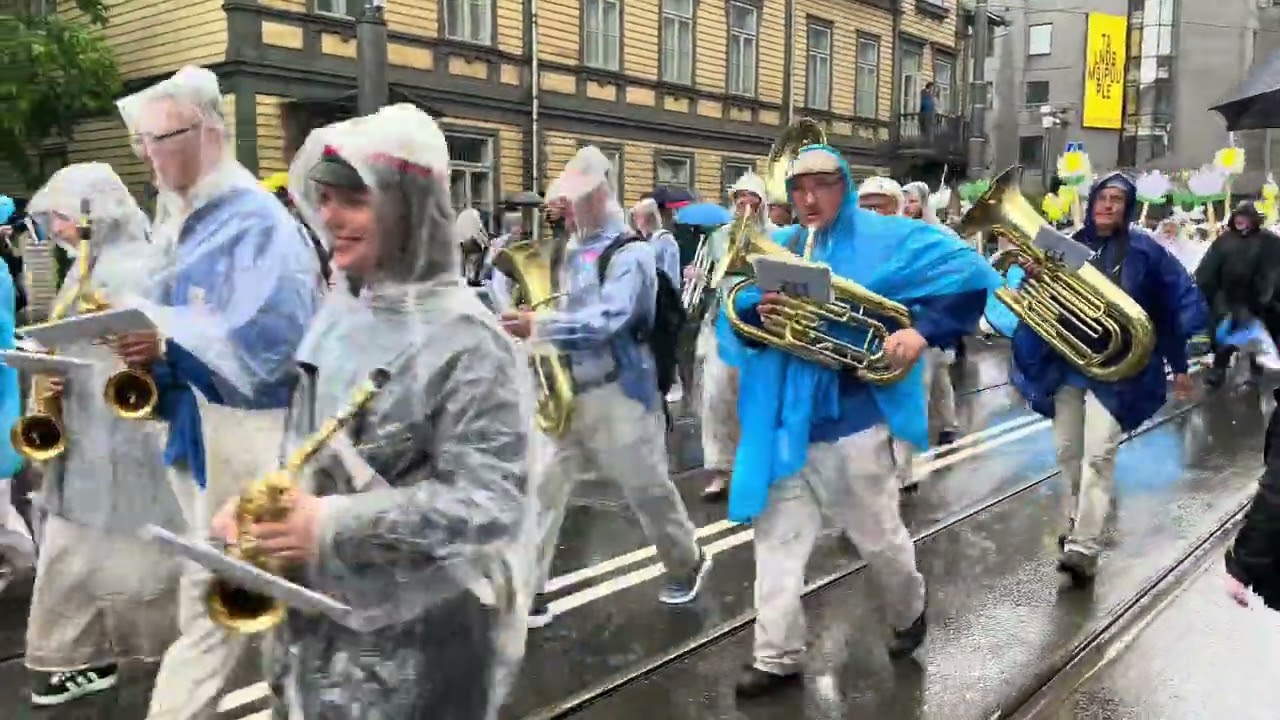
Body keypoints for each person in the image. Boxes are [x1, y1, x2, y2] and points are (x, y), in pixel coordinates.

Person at [205, 103, 536, 719]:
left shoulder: (470, 341)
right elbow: (306, 455)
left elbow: (490, 505)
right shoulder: (339, 317)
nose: (330, 217)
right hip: (320, 629)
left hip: (424, 649)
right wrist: (264, 518)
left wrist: (328, 526)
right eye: (325, 199)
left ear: (406, 209)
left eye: (353, 201)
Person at [721, 144, 999, 697]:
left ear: (842, 187)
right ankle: (776, 654)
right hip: (785, 419)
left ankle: (908, 610)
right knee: (776, 543)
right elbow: (739, 305)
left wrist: (919, 333)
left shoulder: (888, 237)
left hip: (853, 419)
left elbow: (970, 277)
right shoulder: (781, 244)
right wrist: (759, 310)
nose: (806, 198)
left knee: (877, 539)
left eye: (821, 186)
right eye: (798, 189)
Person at [111, 65, 321, 720]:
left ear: (205, 132)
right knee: (255, 605)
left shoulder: (257, 221)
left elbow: (280, 340)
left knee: (222, 602)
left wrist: (167, 345)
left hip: (251, 433)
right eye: (139, 141)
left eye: (157, 138)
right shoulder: (190, 221)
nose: (145, 155)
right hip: (203, 429)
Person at [502, 146, 709, 628]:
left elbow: (611, 318)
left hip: (623, 395)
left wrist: (541, 325)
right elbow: (563, 306)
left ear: (599, 197)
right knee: (542, 490)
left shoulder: (632, 252)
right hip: (570, 392)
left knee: (648, 490)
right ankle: (528, 590)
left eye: (576, 200)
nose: (567, 210)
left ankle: (686, 562)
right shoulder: (573, 249)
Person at [19, 164, 182, 706]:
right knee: (81, 546)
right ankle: (80, 654)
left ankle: (153, 646)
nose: (58, 229)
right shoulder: (89, 266)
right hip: (88, 430)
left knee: (134, 546)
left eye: (65, 217)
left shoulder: (132, 266)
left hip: (122, 430)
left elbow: (153, 340)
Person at [1012, 173, 1208, 583]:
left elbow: (1172, 309)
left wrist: (1181, 366)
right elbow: (1040, 296)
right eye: (1102, 198)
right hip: (1067, 360)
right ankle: (1078, 516)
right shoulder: (1063, 244)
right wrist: (1032, 275)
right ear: (1092, 202)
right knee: (1068, 451)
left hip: (1117, 368)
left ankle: (1084, 545)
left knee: (1099, 454)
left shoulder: (1146, 252)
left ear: (1128, 206)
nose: (1108, 205)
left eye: (1117, 200)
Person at [687, 171, 773, 501]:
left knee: (753, 402)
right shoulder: (717, 237)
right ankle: (721, 470)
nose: (746, 207)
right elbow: (708, 277)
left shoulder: (775, 237)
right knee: (716, 399)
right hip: (721, 325)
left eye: (753, 201)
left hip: (760, 330)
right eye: (741, 201)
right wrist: (698, 275)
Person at [1196, 201, 1280, 389]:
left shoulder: (1269, 241)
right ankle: (1218, 370)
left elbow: (1275, 267)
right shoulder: (1225, 240)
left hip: (1258, 299)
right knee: (1226, 335)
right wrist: (1205, 288)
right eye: (1238, 217)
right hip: (1229, 298)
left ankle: (1256, 371)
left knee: (1256, 336)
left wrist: (1269, 291)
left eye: (1245, 218)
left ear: (1253, 220)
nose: (1241, 221)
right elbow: (1209, 266)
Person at [631, 197, 681, 285]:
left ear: (649, 218)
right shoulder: (643, 240)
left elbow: (672, 276)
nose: (635, 220)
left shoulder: (666, 240)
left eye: (638, 216)